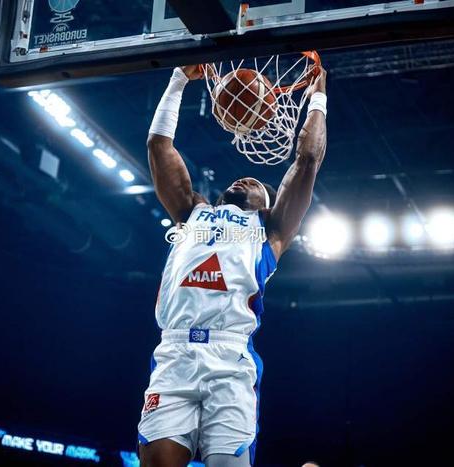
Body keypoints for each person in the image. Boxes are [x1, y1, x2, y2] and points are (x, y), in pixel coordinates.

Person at [137, 62, 328, 467]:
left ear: (268, 204)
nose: (244, 180)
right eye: (241, 180)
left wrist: (318, 100)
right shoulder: (191, 212)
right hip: (175, 353)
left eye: (255, 184)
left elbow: (308, 159)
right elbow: (158, 146)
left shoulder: (271, 230)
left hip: (230, 358)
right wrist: (178, 81)